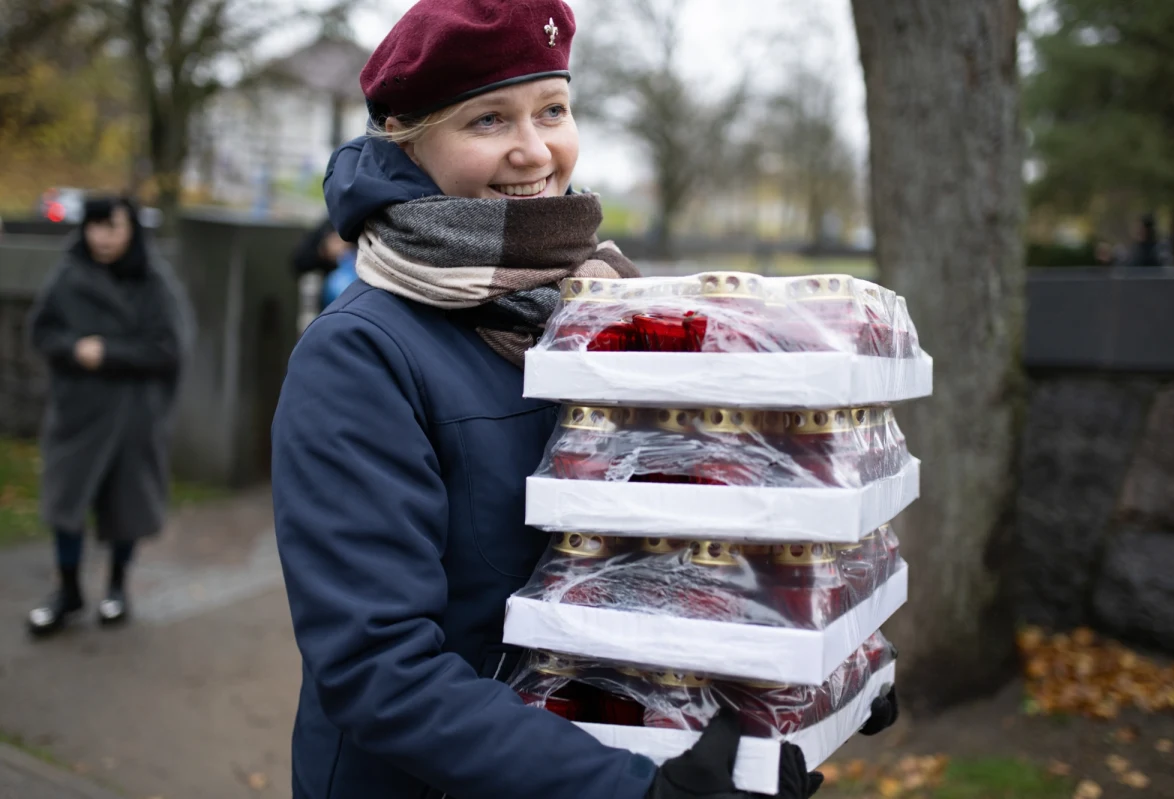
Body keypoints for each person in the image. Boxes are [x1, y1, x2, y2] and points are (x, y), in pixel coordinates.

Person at [271, 2, 896, 798]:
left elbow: (666, 551)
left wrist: (822, 670)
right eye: (488, 119)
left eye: (553, 110)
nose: (534, 150)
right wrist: (630, 790)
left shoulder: (599, 307)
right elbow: (377, 670)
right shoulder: (360, 354)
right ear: (406, 134)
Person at [26, 196, 192, 635]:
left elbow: (169, 347)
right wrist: (74, 349)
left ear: (131, 230)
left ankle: (117, 588)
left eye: (111, 227)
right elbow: (41, 331)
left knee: (127, 506)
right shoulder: (68, 273)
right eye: (94, 227)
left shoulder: (155, 282)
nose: (101, 237)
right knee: (65, 502)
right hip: (77, 412)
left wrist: (109, 352)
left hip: (133, 416)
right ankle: (67, 590)